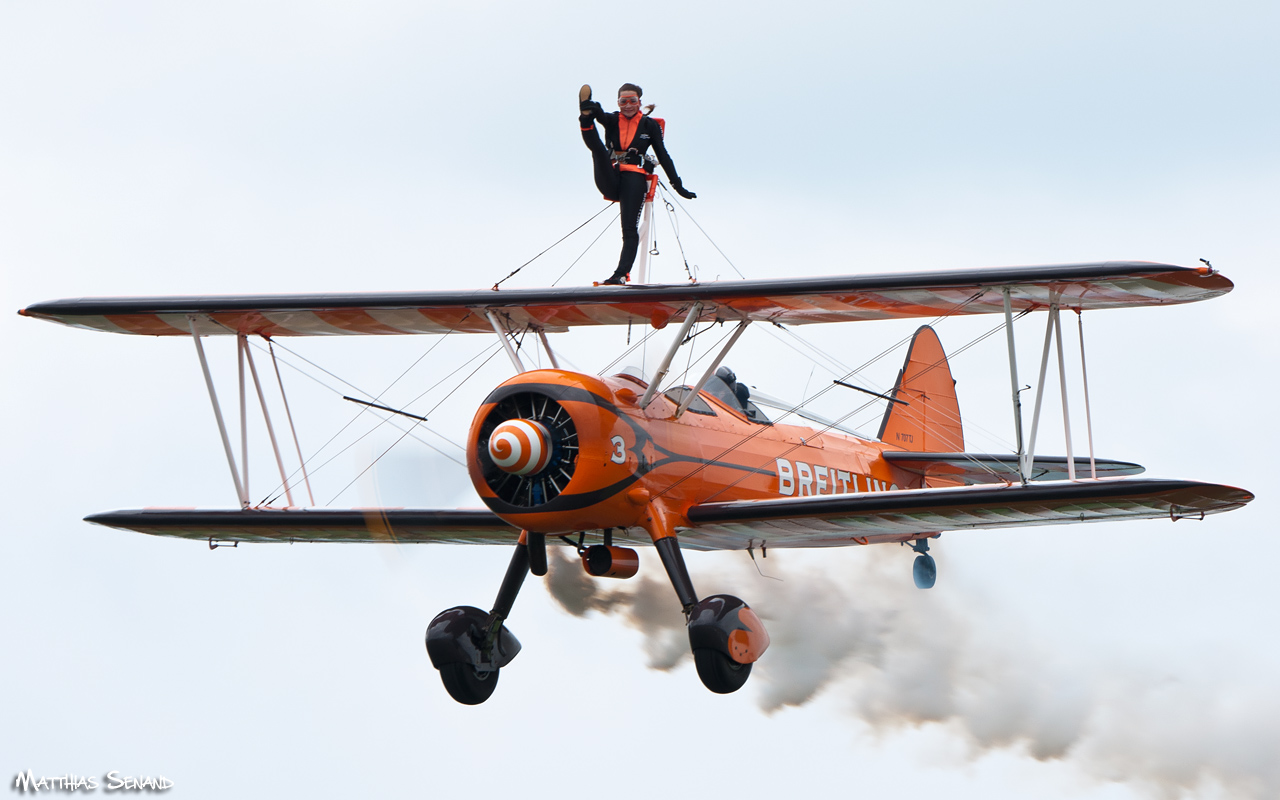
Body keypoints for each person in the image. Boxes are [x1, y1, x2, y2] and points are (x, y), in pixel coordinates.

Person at [578, 83, 696, 285]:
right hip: (612, 176)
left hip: (634, 178)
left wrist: (678, 185)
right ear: (618, 103)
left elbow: (663, 156)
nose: (628, 105)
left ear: (640, 102)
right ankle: (585, 117)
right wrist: (594, 111)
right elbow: (603, 118)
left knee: (629, 230)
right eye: (623, 101)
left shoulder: (650, 126)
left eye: (632, 101)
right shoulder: (613, 119)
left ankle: (620, 274)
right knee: (597, 150)